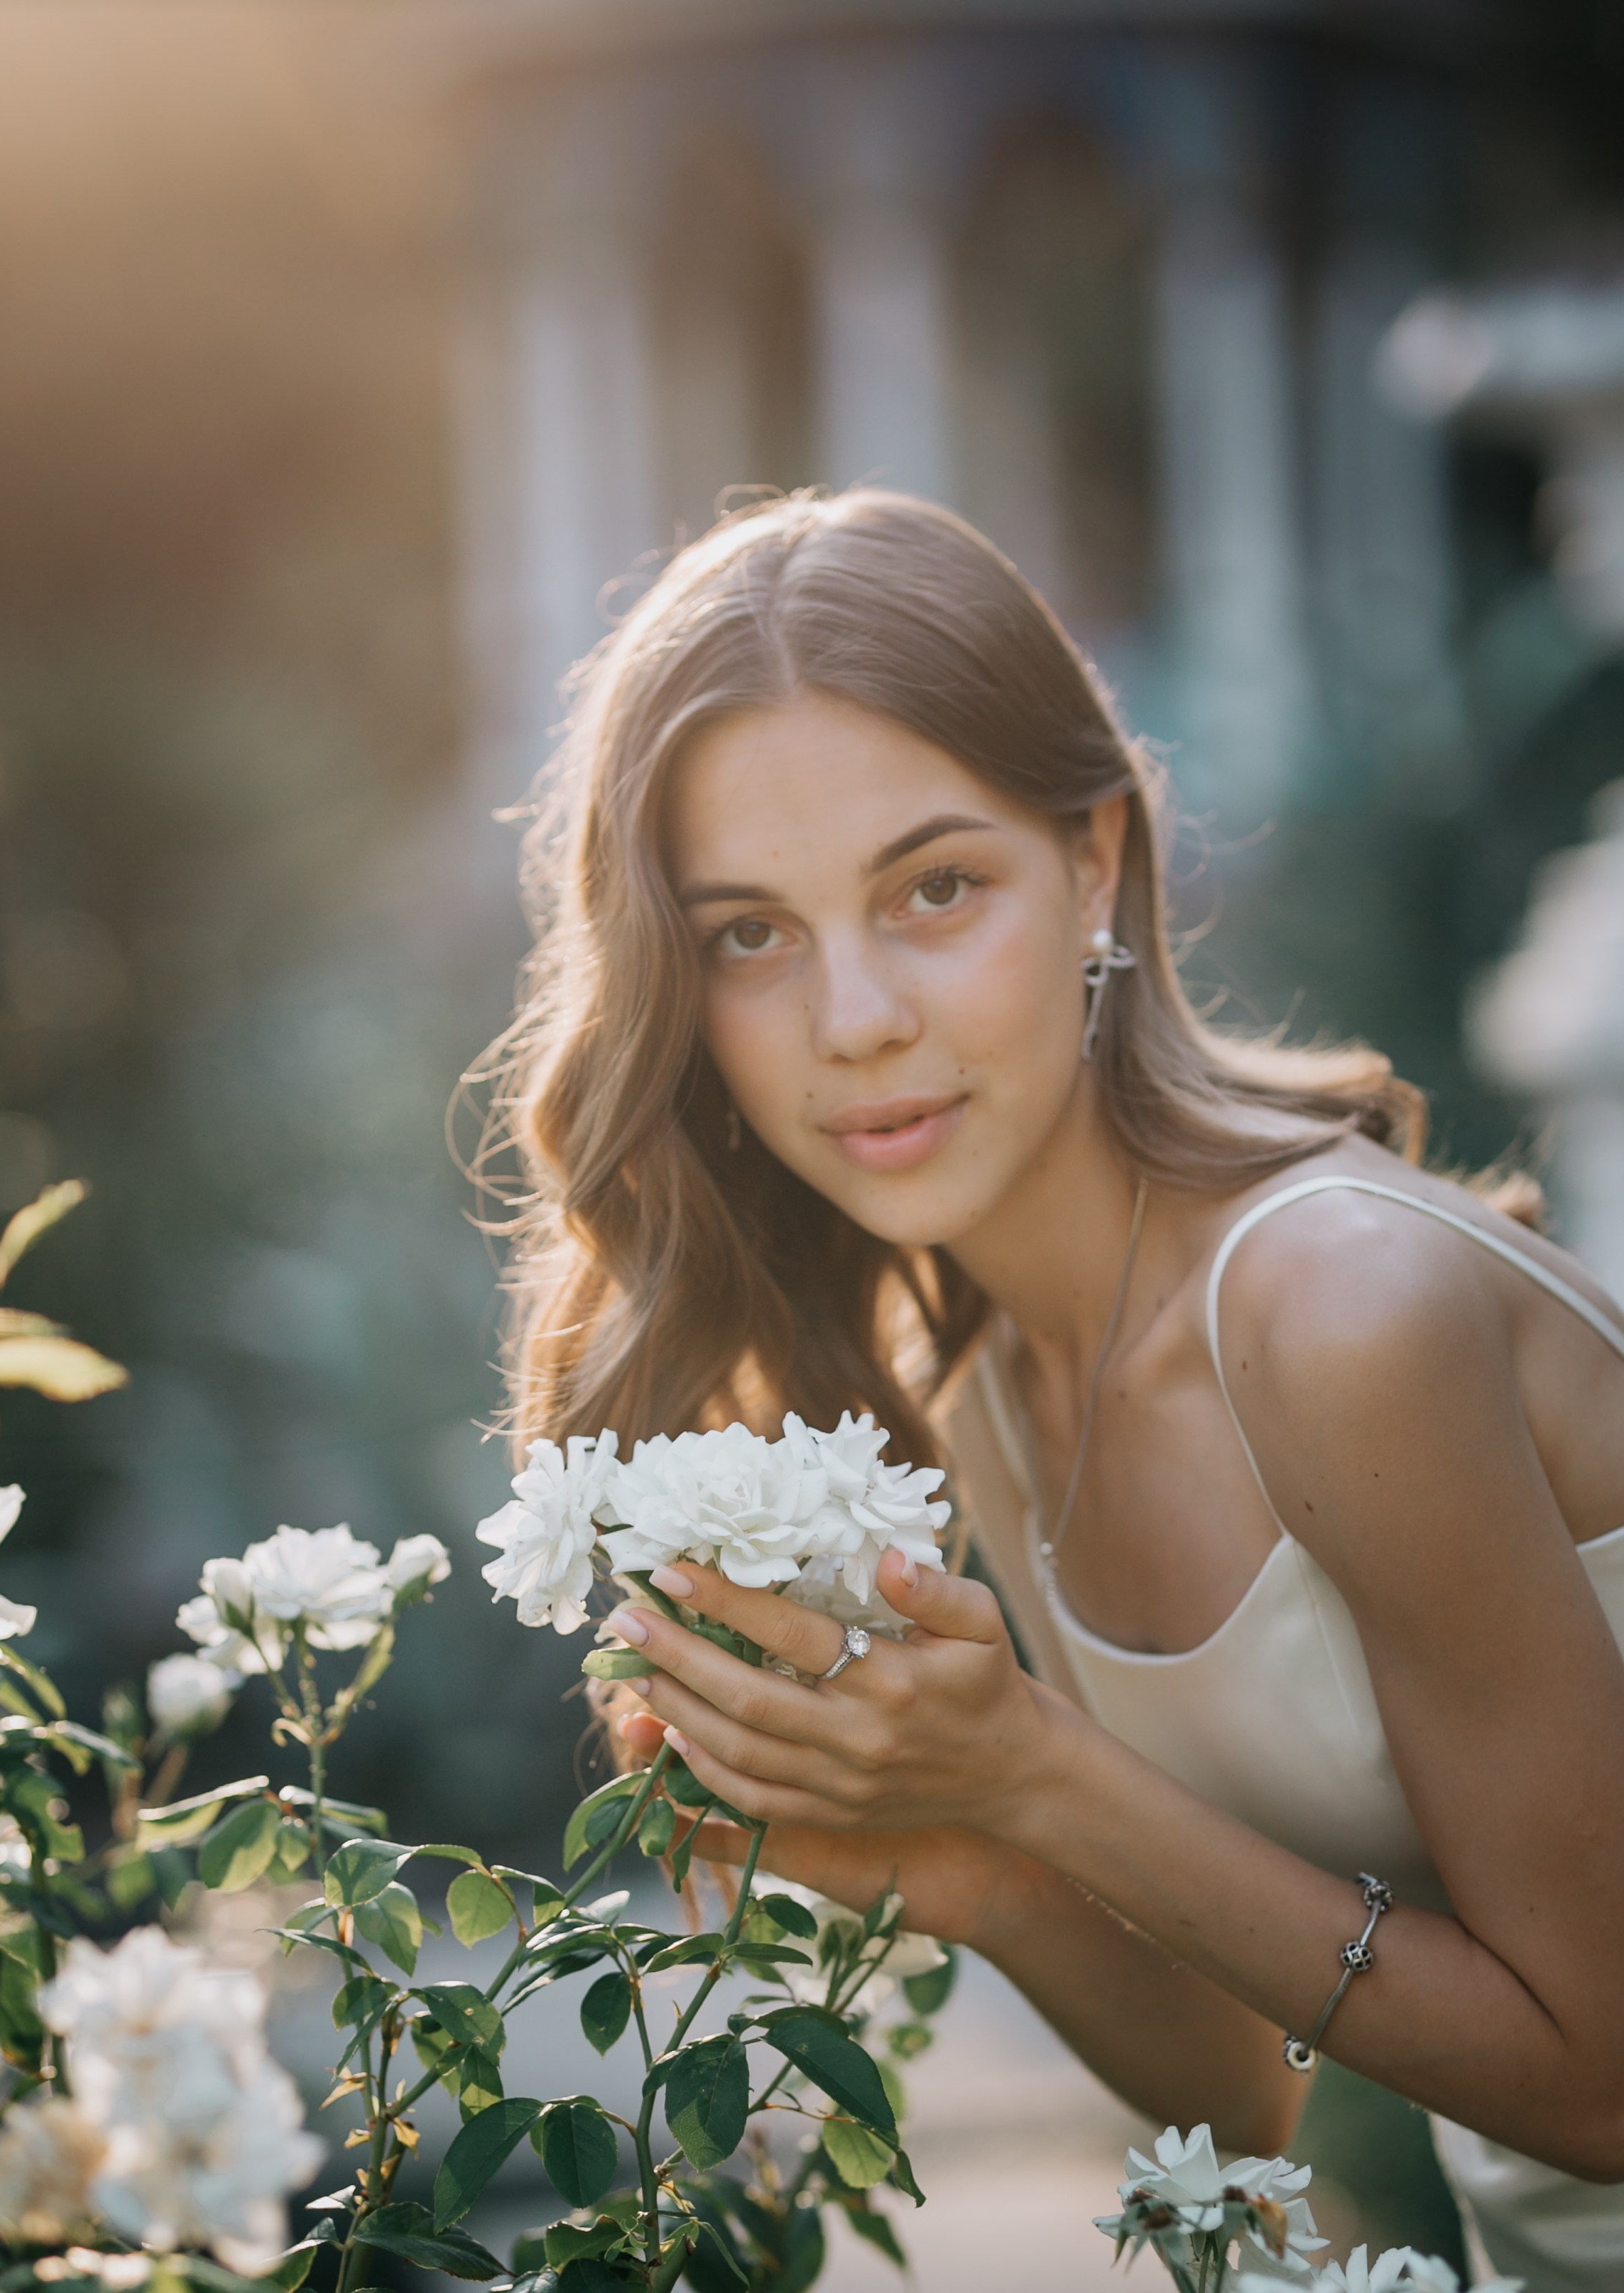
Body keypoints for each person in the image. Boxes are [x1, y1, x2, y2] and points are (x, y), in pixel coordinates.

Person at [472, 491, 1624, 2289]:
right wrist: (982, 1858)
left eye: (933, 889)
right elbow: (1254, 2090)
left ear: (1093, 864)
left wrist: (1041, 1770)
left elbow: (1609, 2085)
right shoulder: (992, 1381)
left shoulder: (1341, 1313)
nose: (855, 1016)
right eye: (750, 934)